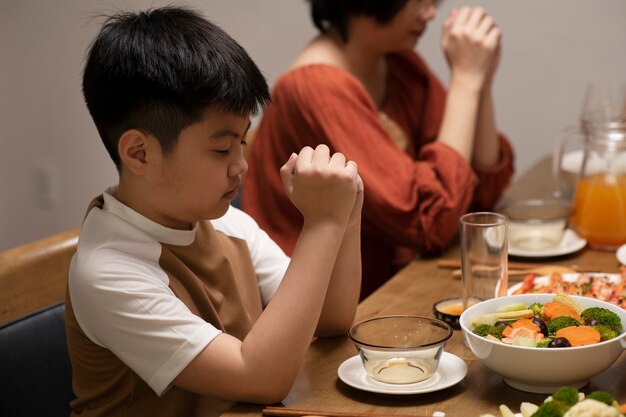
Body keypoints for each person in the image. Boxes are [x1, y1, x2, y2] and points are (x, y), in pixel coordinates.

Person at [65, 7, 362, 417]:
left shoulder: (224, 221)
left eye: (242, 143)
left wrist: (346, 218)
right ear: (139, 152)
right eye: (222, 149)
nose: (240, 164)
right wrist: (322, 223)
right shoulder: (108, 270)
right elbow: (260, 378)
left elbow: (331, 319)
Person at [243, 0, 515, 299]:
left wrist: (481, 83)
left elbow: (476, 196)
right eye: (418, 1)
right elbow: (430, 222)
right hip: (328, 314)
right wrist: (466, 80)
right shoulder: (316, 87)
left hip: (393, 287)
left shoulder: (397, 63)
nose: (430, 13)